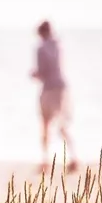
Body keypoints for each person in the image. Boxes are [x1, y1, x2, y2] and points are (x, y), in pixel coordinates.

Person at [30, 20, 77, 173]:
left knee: (45, 125)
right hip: (62, 87)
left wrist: (33, 74)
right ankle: (73, 157)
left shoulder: (41, 48)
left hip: (49, 89)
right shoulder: (58, 45)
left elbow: (42, 72)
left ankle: (45, 161)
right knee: (62, 125)